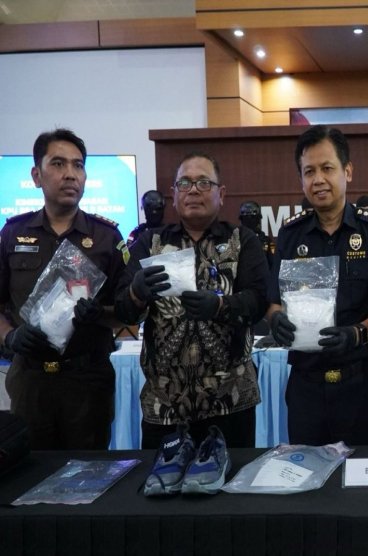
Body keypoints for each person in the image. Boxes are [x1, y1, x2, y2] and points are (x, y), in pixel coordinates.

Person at [115, 151, 268, 449]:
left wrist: (220, 306)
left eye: (203, 182)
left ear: (221, 194)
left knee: (230, 478)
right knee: (162, 478)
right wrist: (136, 292)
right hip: (164, 406)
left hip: (231, 402)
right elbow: (123, 310)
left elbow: (259, 301)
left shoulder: (242, 240)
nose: (193, 190)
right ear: (173, 195)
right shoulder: (150, 243)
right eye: (184, 183)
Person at [267, 125, 368, 445]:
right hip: (305, 387)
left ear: (347, 171)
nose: (318, 179)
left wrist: (357, 334)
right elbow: (273, 301)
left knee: (361, 475)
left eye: (327, 168)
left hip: (359, 384)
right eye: (309, 171)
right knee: (305, 472)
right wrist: (275, 320)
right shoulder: (289, 235)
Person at [0, 128, 128, 449]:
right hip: (30, 380)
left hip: (88, 380)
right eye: (58, 164)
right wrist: (10, 337)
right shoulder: (12, 233)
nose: (70, 174)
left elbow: (127, 312)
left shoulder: (106, 237)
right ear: (36, 175)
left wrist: (101, 315)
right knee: (31, 470)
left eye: (78, 165)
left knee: (89, 471)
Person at [239, 200, 276, 270]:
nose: (249, 221)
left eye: (252, 217)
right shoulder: (234, 241)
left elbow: (274, 264)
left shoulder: (267, 242)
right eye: (246, 218)